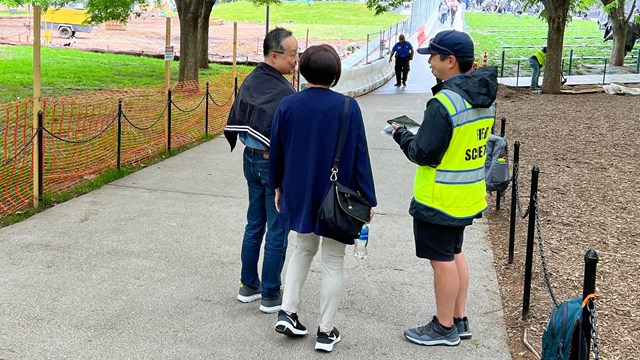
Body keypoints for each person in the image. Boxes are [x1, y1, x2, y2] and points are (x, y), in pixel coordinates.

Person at [390, 30, 497, 346]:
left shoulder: (444, 101)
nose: (430, 64)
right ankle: (459, 318)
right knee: (454, 253)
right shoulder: (484, 95)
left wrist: (402, 134)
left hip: (439, 198)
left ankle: (444, 326)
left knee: (442, 262)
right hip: (466, 194)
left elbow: (424, 153)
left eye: (434, 58)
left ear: (450, 61)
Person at [269, 44, 377, 352]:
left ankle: (288, 311)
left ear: (303, 70)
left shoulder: (288, 105)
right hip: (337, 194)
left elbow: (277, 151)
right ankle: (326, 332)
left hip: (299, 190)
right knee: (333, 260)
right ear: (335, 73)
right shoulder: (347, 107)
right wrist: (368, 198)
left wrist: (278, 186)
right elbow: (360, 155)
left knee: (302, 249)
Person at [224, 27, 298, 314]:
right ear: (275, 55)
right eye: (293, 55)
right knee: (277, 227)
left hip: (250, 160)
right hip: (271, 164)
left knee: (254, 223)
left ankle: (248, 285)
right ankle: (270, 293)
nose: (296, 60)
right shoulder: (280, 89)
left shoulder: (253, 79)